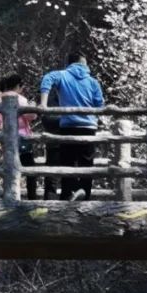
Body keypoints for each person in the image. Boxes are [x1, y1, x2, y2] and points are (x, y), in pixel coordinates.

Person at [39, 52, 104, 200]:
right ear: (83, 62)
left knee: (67, 162)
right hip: (88, 127)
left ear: (69, 63)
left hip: (68, 125)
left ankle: (68, 194)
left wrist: (43, 103)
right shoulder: (93, 82)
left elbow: (47, 79)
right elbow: (100, 104)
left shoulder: (62, 75)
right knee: (86, 163)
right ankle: (83, 193)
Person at [0, 73, 40, 200]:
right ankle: (32, 198)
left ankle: (12, 197)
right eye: (21, 86)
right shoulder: (20, 99)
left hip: (6, 138)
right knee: (30, 171)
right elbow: (31, 116)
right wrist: (33, 107)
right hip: (22, 137)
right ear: (18, 86)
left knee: (11, 170)